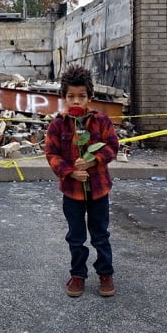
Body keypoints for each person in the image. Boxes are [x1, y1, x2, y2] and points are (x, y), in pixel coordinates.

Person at [45, 65, 119, 297]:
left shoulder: (102, 121)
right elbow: (52, 154)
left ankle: (105, 273)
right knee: (76, 237)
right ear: (63, 97)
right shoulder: (58, 125)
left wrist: (93, 160)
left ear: (90, 97)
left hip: (98, 190)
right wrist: (70, 171)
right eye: (71, 96)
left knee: (100, 235)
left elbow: (113, 147)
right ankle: (78, 275)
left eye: (82, 96)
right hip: (72, 191)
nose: (76, 101)